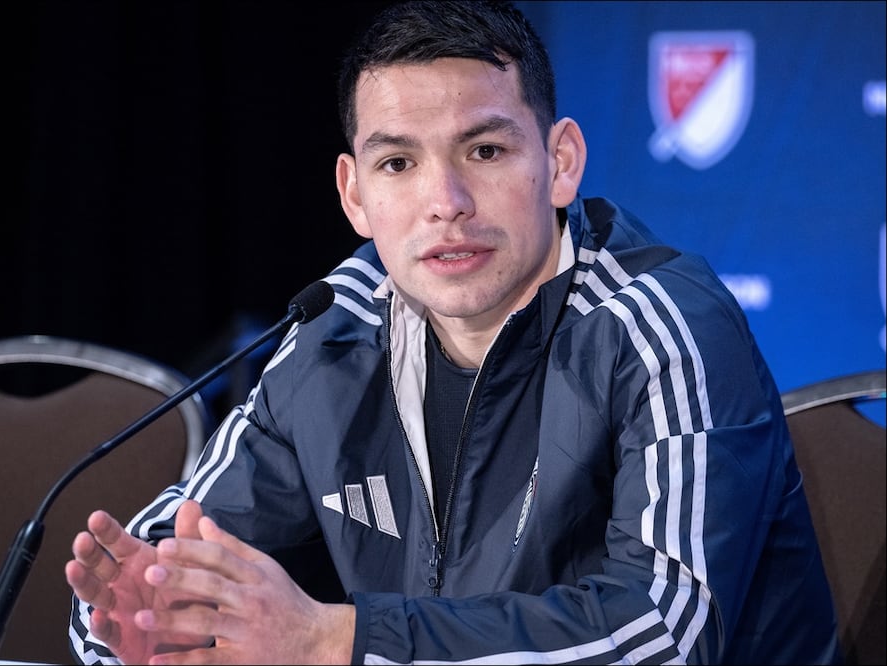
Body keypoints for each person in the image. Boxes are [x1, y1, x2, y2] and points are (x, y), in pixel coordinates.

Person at [65, 1, 842, 663]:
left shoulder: (662, 327)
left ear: (560, 161)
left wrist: (335, 641)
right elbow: (173, 551)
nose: (446, 200)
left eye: (485, 149)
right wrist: (141, 615)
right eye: (398, 163)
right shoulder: (332, 335)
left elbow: (664, 634)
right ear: (355, 195)